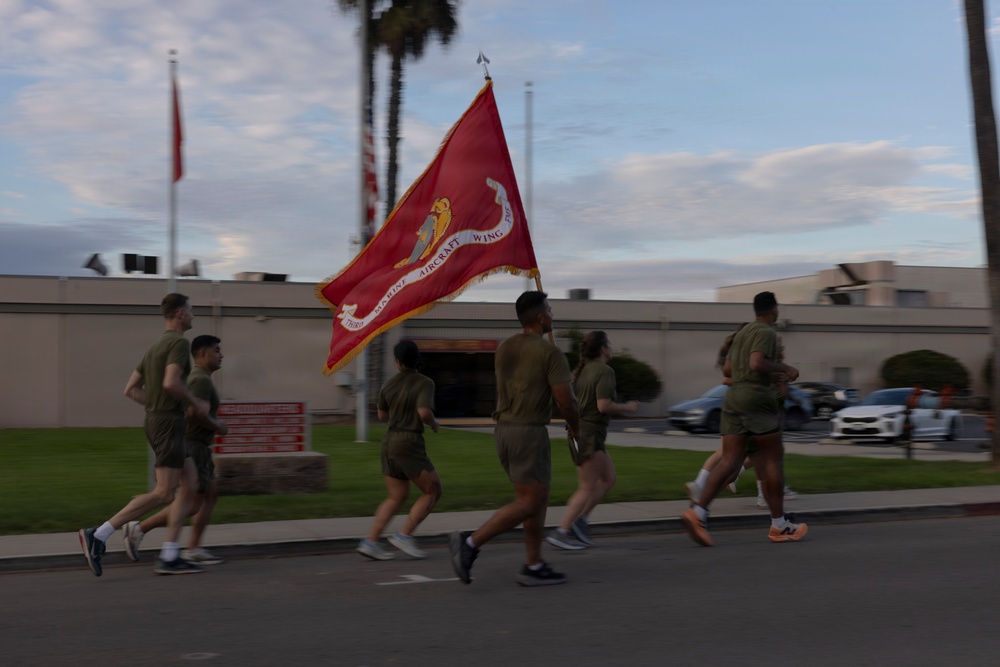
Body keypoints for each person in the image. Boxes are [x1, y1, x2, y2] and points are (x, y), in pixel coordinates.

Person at [449, 291, 581, 586]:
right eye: (550, 310)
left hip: (504, 430)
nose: (553, 315)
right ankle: (469, 543)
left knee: (537, 497)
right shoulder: (550, 352)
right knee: (529, 501)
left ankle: (534, 565)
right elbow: (567, 401)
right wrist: (576, 428)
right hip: (528, 432)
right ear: (540, 317)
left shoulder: (505, 346)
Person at [78, 292, 209, 576]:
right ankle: (98, 534)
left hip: (163, 420)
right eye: (191, 310)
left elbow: (130, 390)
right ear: (180, 313)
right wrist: (193, 403)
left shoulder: (155, 347)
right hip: (168, 424)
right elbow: (171, 382)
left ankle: (170, 554)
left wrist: (158, 406)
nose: (193, 315)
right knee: (164, 493)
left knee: (190, 484)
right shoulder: (178, 343)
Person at [681, 291, 808, 546]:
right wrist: (785, 368)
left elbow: (729, 369)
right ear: (774, 310)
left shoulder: (742, 333)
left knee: (730, 460)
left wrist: (766, 372)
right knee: (773, 460)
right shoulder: (766, 331)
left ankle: (698, 513)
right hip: (757, 400)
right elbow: (756, 363)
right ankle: (779, 526)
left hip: (733, 399)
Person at [122, 335, 229, 565]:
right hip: (194, 444)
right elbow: (194, 413)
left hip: (196, 444)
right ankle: (140, 529)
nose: (221, 355)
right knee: (190, 501)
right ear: (203, 354)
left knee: (208, 495)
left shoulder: (199, 378)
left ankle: (192, 547)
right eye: (217, 350)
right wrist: (218, 426)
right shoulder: (201, 380)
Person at [684, 325, 799, 509]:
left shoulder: (760, 361)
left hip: (750, 414)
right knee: (736, 462)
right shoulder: (756, 361)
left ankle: (701, 494)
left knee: (742, 459)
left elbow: (730, 377)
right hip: (753, 416)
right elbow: (729, 378)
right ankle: (701, 497)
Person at [546, 331, 638, 550]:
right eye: (609, 345)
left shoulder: (581, 371)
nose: (611, 348)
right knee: (586, 487)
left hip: (581, 432)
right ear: (603, 349)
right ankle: (563, 531)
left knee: (608, 478)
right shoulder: (604, 371)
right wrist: (628, 407)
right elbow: (603, 406)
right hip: (589, 434)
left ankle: (581, 521)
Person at [356, 339, 442, 561]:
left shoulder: (388, 384)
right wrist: (434, 423)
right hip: (409, 442)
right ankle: (404, 536)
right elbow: (424, 412)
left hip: (389, 441)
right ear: (417, 359)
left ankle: (371, 542)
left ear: (397, 361)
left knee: (397, 496)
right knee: (433, 491)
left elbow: (382, 416)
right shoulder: (424, 382)